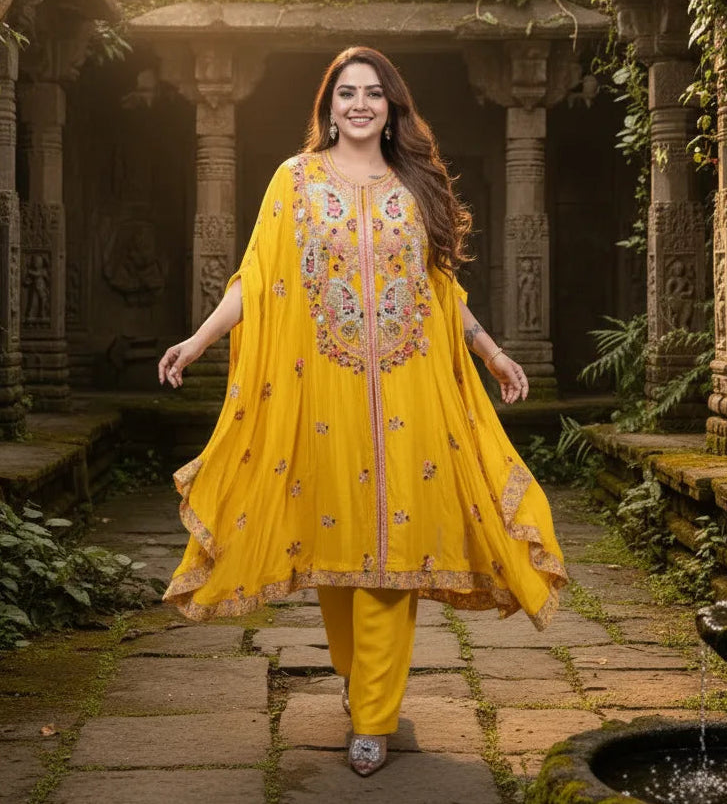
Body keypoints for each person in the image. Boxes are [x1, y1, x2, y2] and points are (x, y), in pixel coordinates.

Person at [158, 46, 568, 777]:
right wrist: (197, 339)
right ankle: (359, 679)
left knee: (392, 549)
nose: (358, 104)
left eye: (372, 93)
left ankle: (373, 716)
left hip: (411, 392)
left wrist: (492, 353)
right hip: (325, 390)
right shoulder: (295, 180)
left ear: (392, 106)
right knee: (336, 547)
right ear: (327, 105)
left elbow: (441, 292)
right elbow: (257, 277)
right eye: (345, 92)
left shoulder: (415, 185)